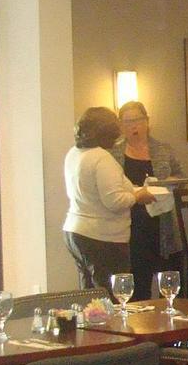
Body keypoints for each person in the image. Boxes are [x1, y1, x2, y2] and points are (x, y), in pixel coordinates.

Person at [63, 106, 158, 291]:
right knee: (112, 298)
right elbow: (114, 201)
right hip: (102, 238)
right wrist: (137, 195)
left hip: (76, 231)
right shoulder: (101, 159)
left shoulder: (74, 153)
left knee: (90, 298)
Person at [111, 101, 183, 301]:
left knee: (167, 281)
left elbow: (180, 177)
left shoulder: (162, 150)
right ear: (120, 125)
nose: (133, 126)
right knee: (138, 284)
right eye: (128, 122)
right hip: (131, 223)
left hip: (161, 223)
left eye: (137, 120)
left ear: (147, 122)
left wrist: (170, 182)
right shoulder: (113, 153)